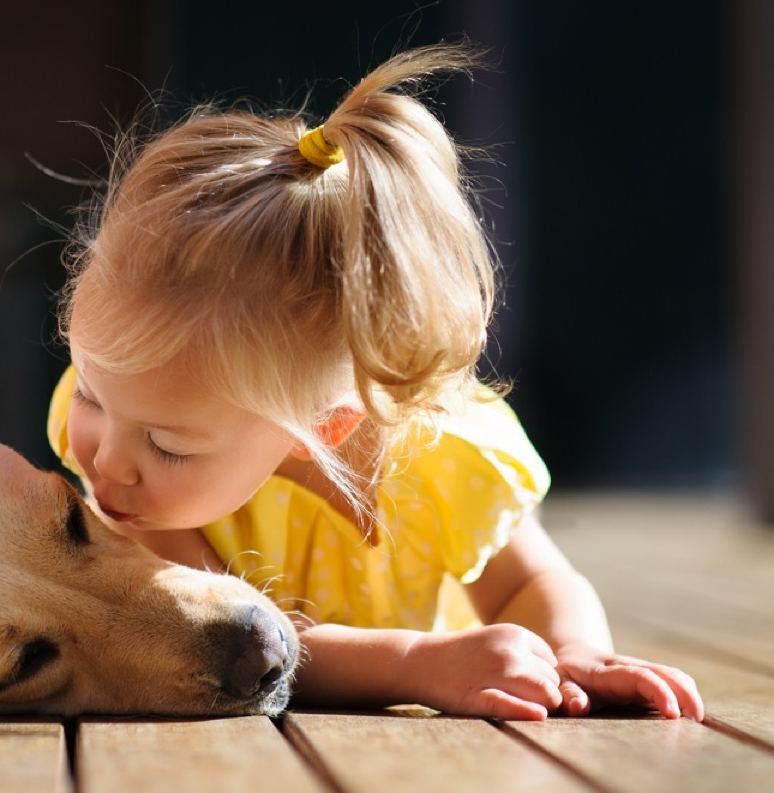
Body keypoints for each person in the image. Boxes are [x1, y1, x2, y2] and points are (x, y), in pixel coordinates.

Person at [45, 44, 704, 721]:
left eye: (166, 444)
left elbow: (532, 583)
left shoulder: (448, 457)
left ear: (322, 427)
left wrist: (575, 654)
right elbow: (235, 645)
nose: (104, 459)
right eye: (91, 394)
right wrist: (417, 664)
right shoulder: (146, 503)